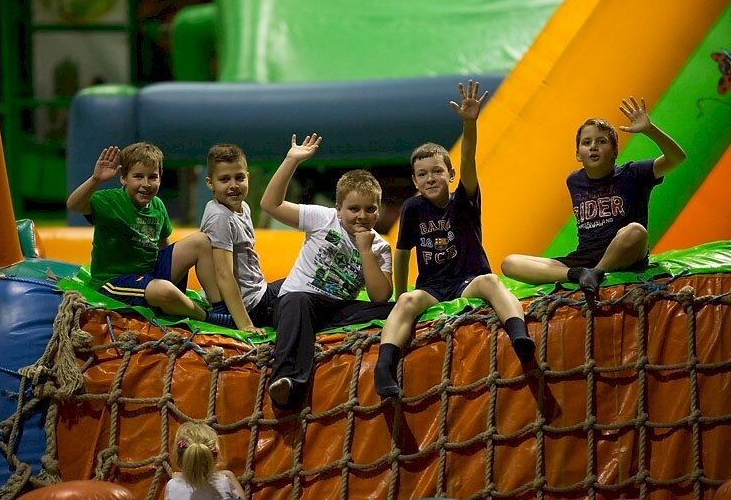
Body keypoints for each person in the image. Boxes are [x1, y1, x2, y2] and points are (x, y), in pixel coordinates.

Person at [374, 80, 536, 398]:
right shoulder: (412, 208)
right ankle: (383, 367)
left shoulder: (464, 200)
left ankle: (519, 336)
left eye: (437, 171)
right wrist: (401, 294)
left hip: (468, 280)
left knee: (491, 282)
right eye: (422, 174)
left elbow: (469, 160)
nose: (430, 178)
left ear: (450, 175)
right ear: (415, 180)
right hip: (433, 288)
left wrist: (469, 124)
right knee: (406, 302)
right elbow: (402, 252)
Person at [501, 96, 686, 297]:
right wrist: (577, 269)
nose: (593, 146)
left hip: (625, 253)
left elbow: (677, 157)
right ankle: (578, 274)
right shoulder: (574, 181)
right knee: (510, 263)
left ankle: (597, 272)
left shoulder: (633, 173)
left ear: (615, 151)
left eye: (601, 141)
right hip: (583, 259)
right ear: (578, 154)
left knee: (636, 231)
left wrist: (650, 130)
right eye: (586, 142)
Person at [261, 133, 395, 409]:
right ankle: (287, 380)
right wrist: (291, 160)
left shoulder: (380, 246)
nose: (361, 216)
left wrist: (366, 251)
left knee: (394, 309)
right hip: (301, 300)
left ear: (378, 211)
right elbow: (270, 205)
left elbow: (380, 296)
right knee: (296, 300)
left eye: (370, 209)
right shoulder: (323, 218)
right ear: (338, 209)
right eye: (353, 209)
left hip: (338, 309)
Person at [66, 142, 232, 326]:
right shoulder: (110, 201)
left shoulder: (157, 206)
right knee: (165, 290)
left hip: (150, 275)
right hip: (115, 281)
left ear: (160, 178)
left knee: (201, 240)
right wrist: (96, 180)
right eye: (138, 177)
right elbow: (73, 205)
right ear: (124, 178)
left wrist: (174, 269)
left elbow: (164, 246)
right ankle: (210, 318)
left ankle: (220, 307)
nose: (145, 184)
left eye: (152, 177)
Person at [200, 143, 283, 335]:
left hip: (258, 291)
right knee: (308, 294)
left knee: (304, 281)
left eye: (239, 178)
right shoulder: (220, 217)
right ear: (210, 183)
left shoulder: (243, 206)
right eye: (224, 179)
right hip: (253, 305)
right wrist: (245, 324)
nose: (233, 186)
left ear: (248, 177)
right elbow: (223, 274)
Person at [161, 421, 245, 500]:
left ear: (179, 460)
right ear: (213, 459)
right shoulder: (223, 482)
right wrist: (230, 476)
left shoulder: (172, 486)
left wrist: (180, 478)